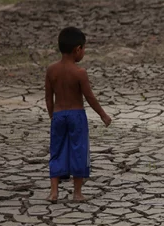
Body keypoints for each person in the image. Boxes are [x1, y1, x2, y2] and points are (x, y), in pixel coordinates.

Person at [45, 26, 111, 202]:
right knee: (78, 151)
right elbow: (89, 97)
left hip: (58, 115)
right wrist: (103, 115)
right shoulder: (79, 72)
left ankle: (54, 192)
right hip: (76, 116)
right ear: (77, 49)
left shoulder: (51, 70)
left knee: (57, 151)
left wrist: (53, 116)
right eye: (84, 49)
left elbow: (48, 99)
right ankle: (77, 193)